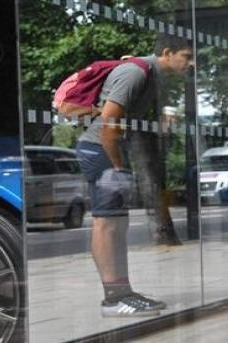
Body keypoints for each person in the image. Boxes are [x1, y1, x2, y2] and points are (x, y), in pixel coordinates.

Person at [75, 35, 194, 317]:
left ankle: (123, 293)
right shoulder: (135, 72)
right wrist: (117, 166)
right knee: (107, 223)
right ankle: (113, 300)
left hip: (107, 150)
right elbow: (109, 122)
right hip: (100, 150)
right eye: (187, 56)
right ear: (167, 52)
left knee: (118, 223)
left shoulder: (152, 76)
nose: (192, 63)